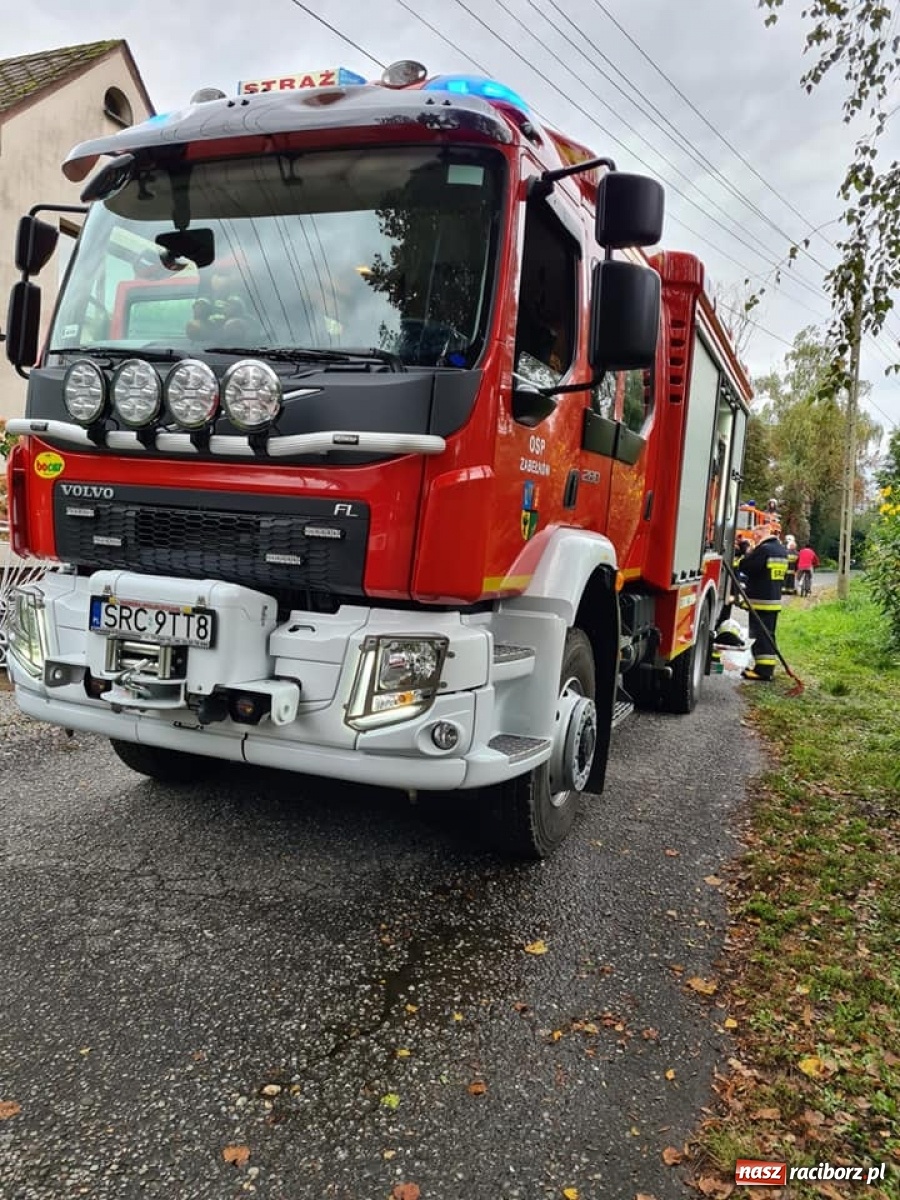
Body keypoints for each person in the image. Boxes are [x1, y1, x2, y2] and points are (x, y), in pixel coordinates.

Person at [738, 521, 788, 681]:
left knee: (761, 636)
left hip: (760, 600)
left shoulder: (764, 550)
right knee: (768, 635)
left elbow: (747, 567)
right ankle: (765, 668)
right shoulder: (781, 550)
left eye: (755, 537)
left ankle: (763, 672)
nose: (755, 540)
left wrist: (747, 550)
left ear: (759, 535)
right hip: (773, 600)